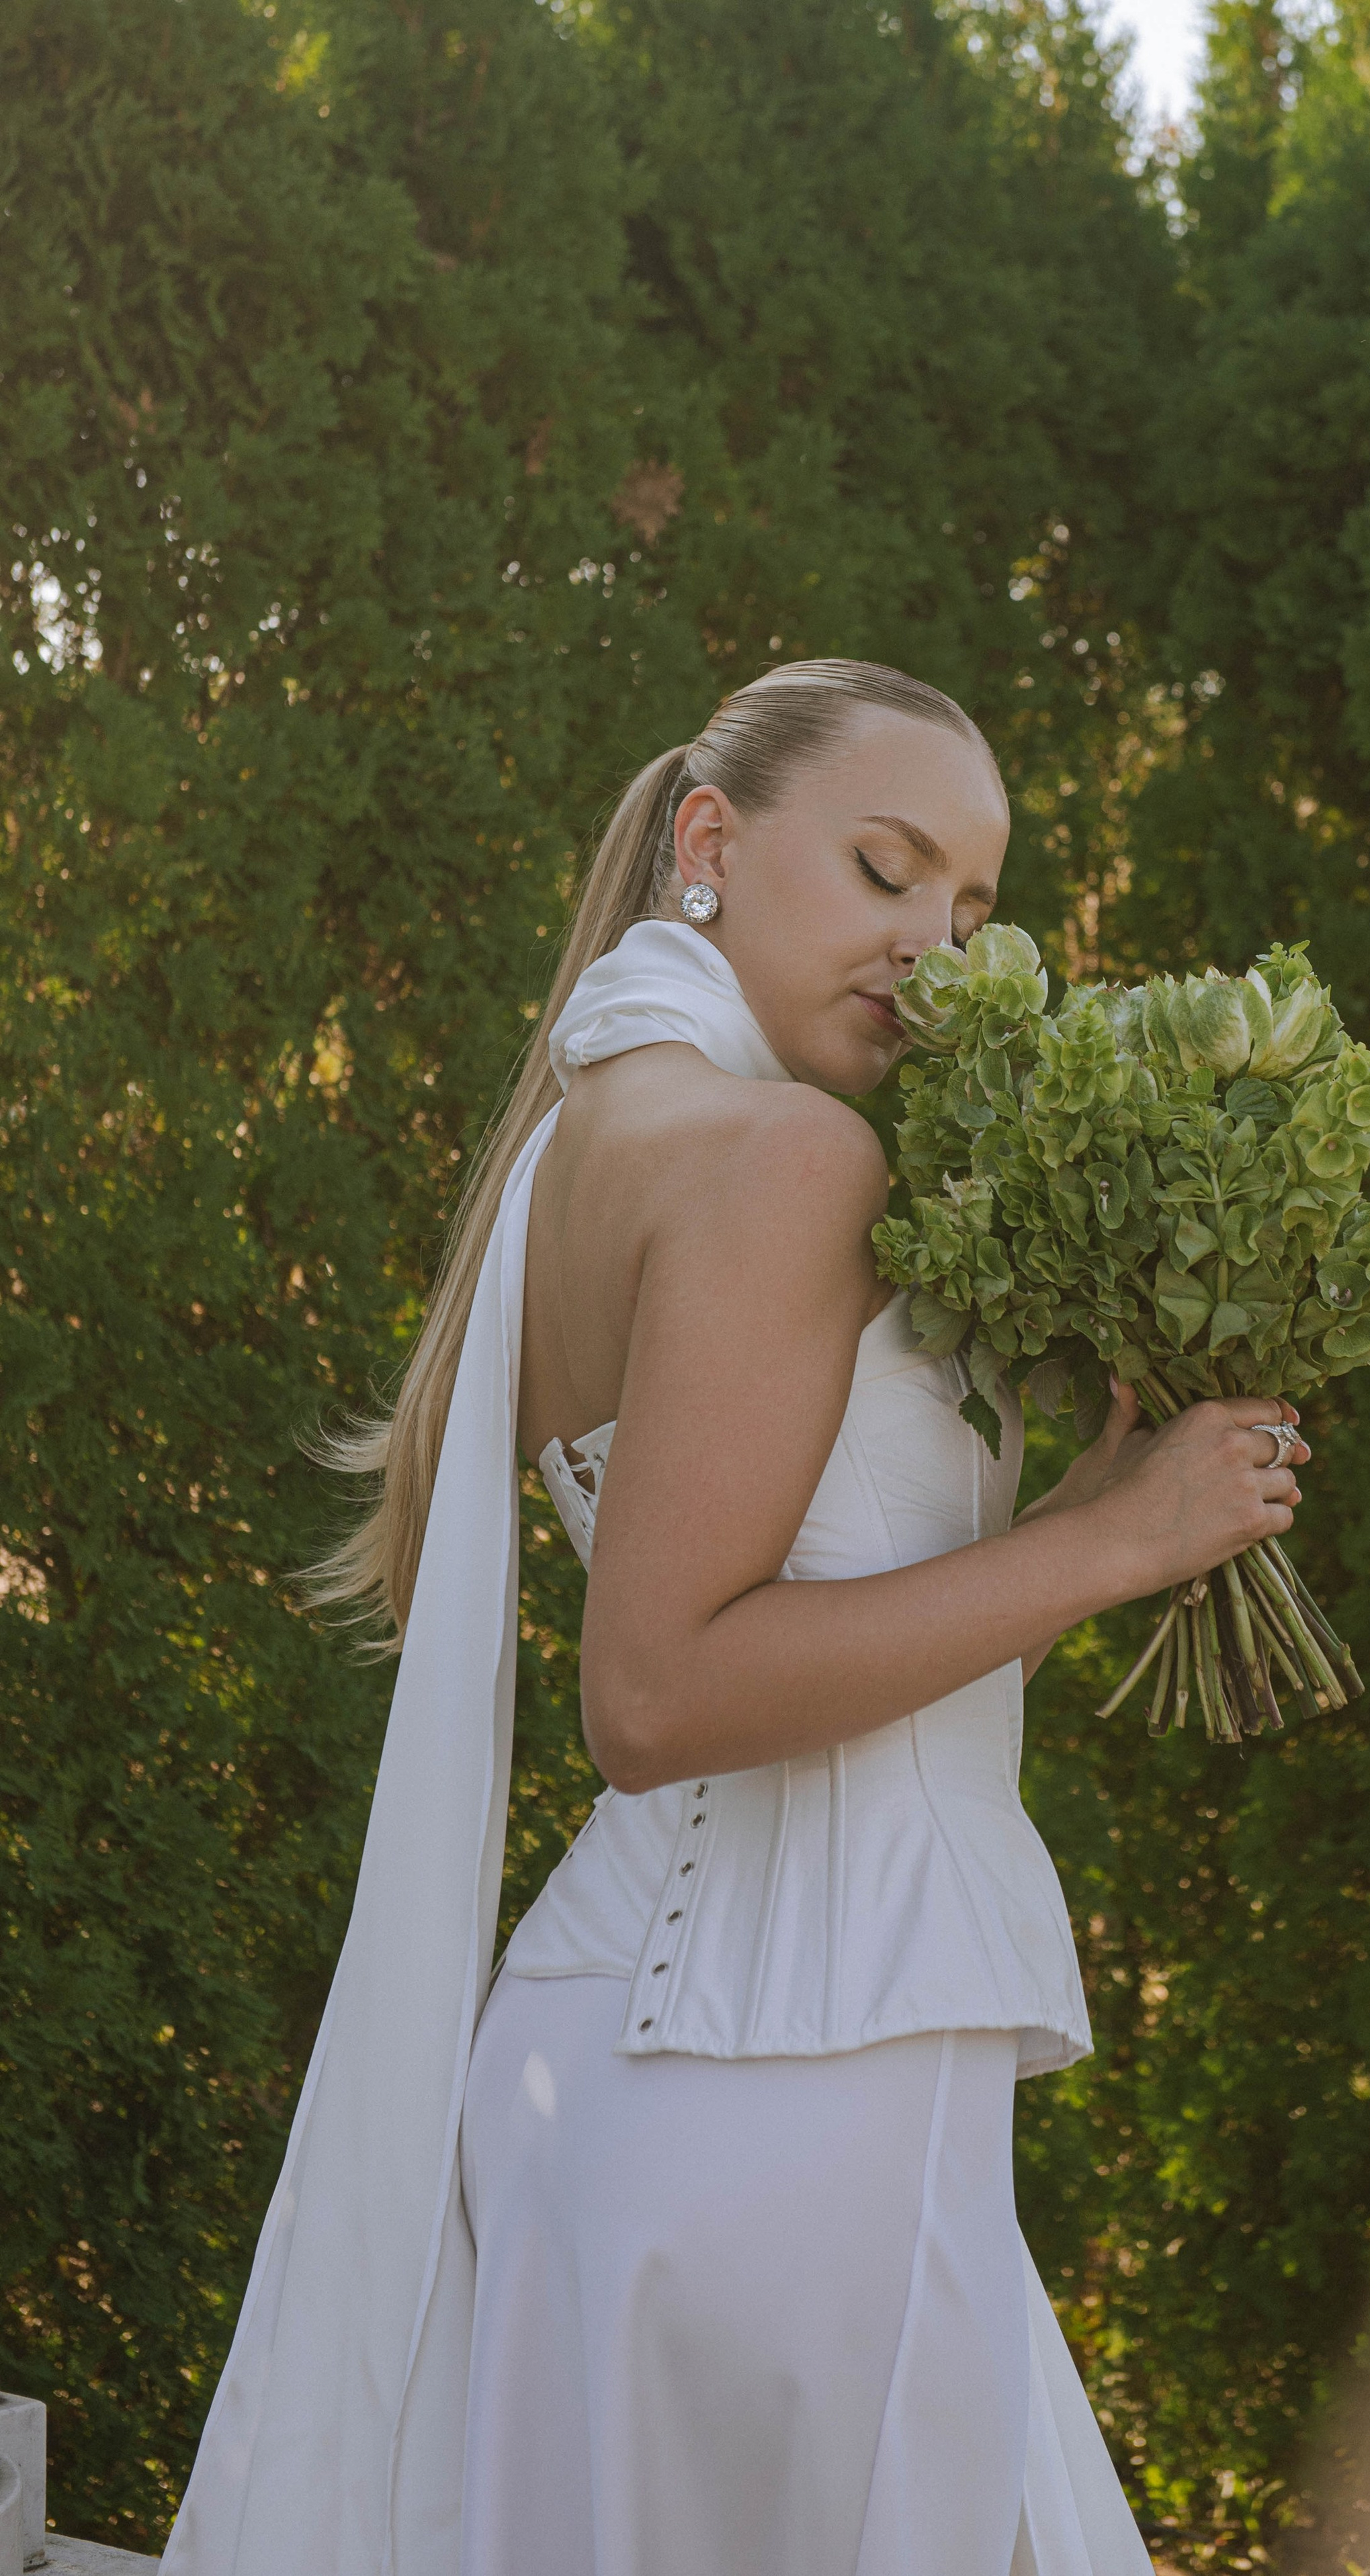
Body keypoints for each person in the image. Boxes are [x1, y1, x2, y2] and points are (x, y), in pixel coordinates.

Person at [160, 659, 1305, 2576]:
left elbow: (848, 1664)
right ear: (710, 841)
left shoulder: (598, 1131)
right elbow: (661, 1689)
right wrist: (1114, 1551)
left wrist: (1106, 1513)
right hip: (781, 2115)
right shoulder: (791, 1161)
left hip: (657, 2094)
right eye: (883, 868)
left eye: (973, 907)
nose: (934, 947)